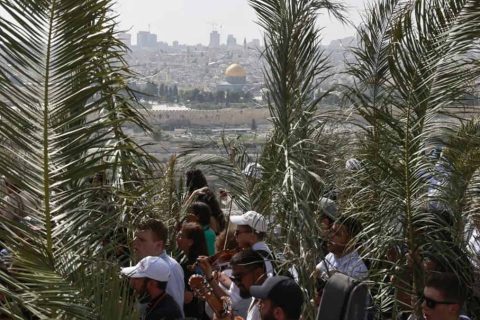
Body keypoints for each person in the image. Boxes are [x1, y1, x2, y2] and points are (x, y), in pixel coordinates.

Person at [133, 219, 185, 316]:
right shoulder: (146, 266)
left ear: (159, 245)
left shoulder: (170, 268)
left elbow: (174, 312)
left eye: (142, 240)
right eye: (135, 237)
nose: (135, 242)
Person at [315, 215, 368, 280]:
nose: (330, 235)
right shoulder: (331, 256)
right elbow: (316, 272)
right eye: (331, 231)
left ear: (351, 241)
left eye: (337, 234)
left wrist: (339, 279)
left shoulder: (359, 269)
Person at [176, 222, 208, 319]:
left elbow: (188, 297)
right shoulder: (183, 257)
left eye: (181, 236)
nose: (177, 238)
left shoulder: (196, 263)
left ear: (190, 242)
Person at [230, 211, 274, 275]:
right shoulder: (265, 251)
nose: (235, 235)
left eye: (237, 232)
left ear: (252, 235)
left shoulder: (254, 258)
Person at [230, 249, 267, 320]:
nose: (237, 283)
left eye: (239, 277)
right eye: (234, 278)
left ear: (258, 273)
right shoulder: (255, 297)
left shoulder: (269, 304)